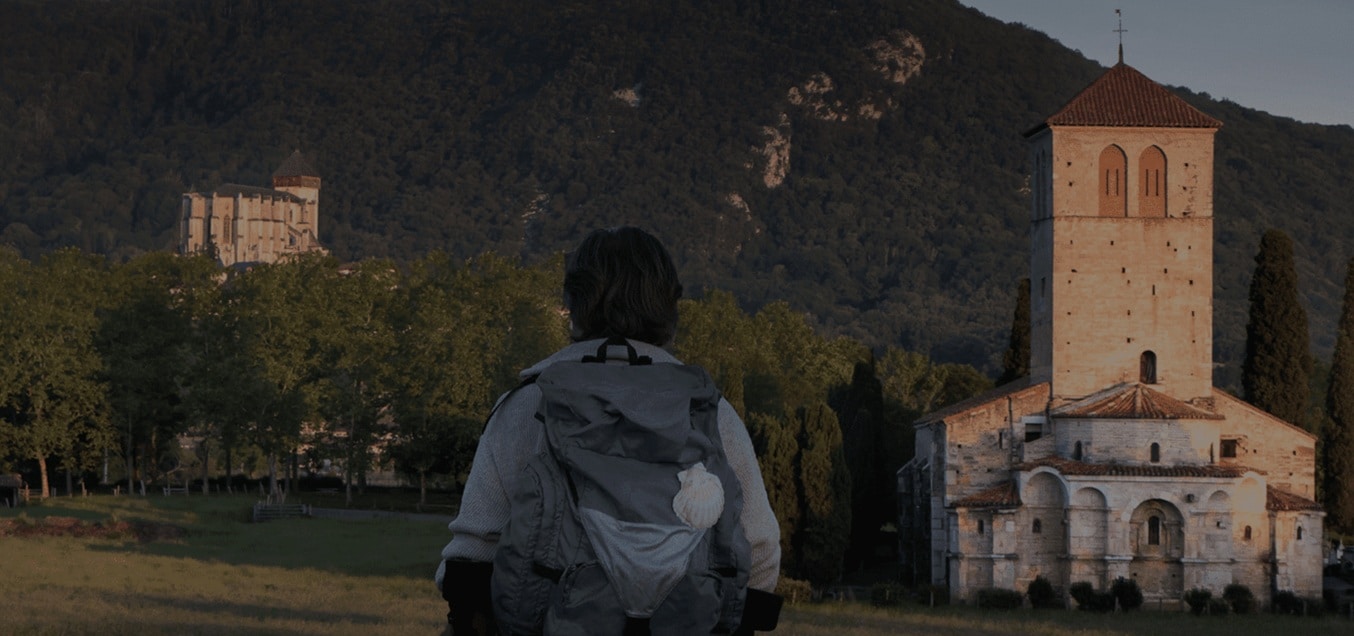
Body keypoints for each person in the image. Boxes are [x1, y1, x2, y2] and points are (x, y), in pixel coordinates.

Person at [436, 226, 781, 634]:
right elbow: (759, 553)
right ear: (669, 308)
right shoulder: (712, 413)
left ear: (574, 304)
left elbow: (471, 555)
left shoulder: (526, 405)